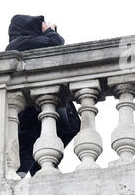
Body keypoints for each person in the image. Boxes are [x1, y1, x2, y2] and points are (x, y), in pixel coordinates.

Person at [6, 14, 81, 177]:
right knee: (27, 148)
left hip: (35, 106)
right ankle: (30, 170)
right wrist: (49, 32)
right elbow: (56, 43)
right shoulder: (20, 42)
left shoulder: (24, 44)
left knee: (34, 145)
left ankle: (40, 165)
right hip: (30, 108)